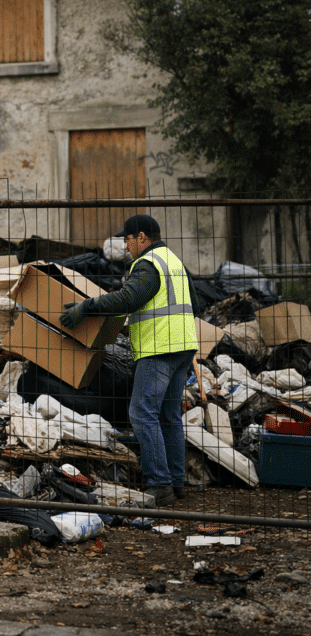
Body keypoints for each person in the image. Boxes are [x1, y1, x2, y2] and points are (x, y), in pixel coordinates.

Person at [59, 214, 198, 506]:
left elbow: (129, 298)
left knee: (142, 413)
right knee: (168, 416)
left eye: (128, 239)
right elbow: (193, 303)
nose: (126, 245)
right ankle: (175, 482)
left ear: (142, 237)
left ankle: (159, 484)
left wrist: (88, 306)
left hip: (159, 348)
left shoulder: (147, 265)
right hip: (183, 346)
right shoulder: (173, 261)